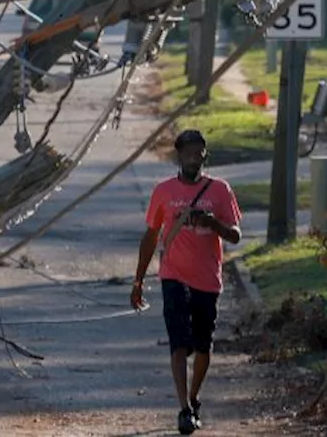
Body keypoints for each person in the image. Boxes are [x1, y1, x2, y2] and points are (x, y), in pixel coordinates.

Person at [130, 129, 243, 435]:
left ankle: (194, 397)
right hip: (173, 276)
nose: (195, 156)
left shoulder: (220, 190)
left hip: (207, 278)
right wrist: (138, 280)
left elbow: (235, 235)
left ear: (205, 155)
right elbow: (151, 235)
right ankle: (183, 409)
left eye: (199, 152)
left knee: (203, 347)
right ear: (178, 155)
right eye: (189, 152)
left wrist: (211, 222)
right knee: (179, 343)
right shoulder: (163, 192)